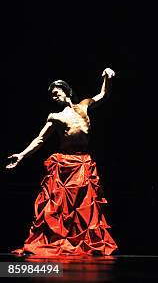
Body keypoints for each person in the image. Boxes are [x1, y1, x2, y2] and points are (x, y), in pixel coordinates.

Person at [6, 69, 118, 256]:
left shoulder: (83, 106)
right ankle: (56, 239)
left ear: (67, 92)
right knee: (58, 205)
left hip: (82, 162)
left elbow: (103, 95)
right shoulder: (55, 117)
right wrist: (22, 155)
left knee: (83, 206)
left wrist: (107, 78)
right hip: (65, 163)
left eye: (57, 92)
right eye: (52, 95)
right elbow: (40, 139)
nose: (54, 96)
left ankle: (81, 240)